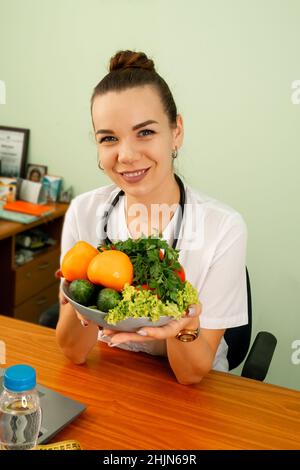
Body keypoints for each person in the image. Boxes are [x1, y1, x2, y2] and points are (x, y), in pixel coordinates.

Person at [56, 50, 247, 384]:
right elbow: (74, 352)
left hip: (191, 392)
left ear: (176, 132)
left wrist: (182, 326)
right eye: (109, 138)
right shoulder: (85, 212)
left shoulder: (223, 228)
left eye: (144, 132)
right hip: (112, 376)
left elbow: (190, 375)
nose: (126, 155)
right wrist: (80, 296)